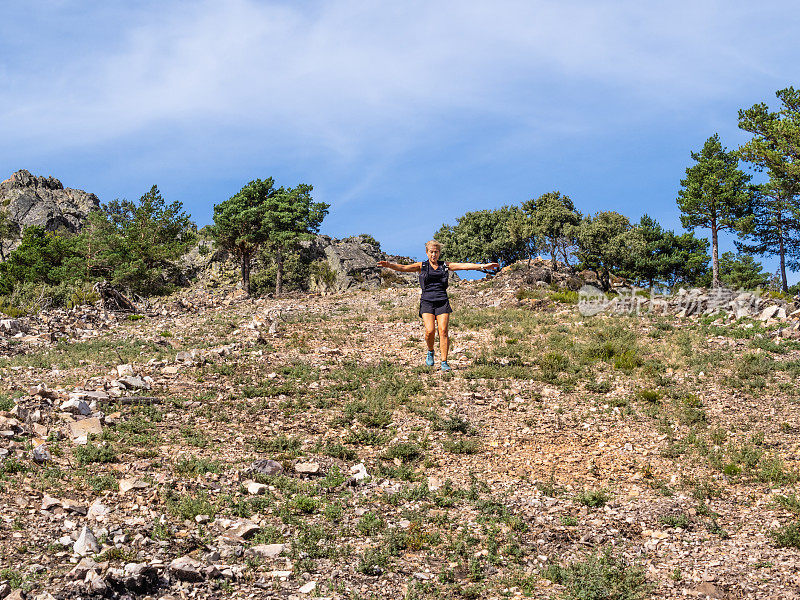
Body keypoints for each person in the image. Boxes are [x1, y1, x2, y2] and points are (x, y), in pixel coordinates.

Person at [377, 240, 499, 371]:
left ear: (439, 253)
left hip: (442, 301)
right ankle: (430, 351)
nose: (434, 255)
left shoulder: (445, 266)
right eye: (431, 252)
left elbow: (464, 266)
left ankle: (444, 362)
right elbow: (403, 268)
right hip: (427, 302)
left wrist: (483, 266)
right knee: (430, 331)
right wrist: (389, 265)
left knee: (443, 331)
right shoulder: (421, 266)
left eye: (436, 252)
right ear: (427, 252)